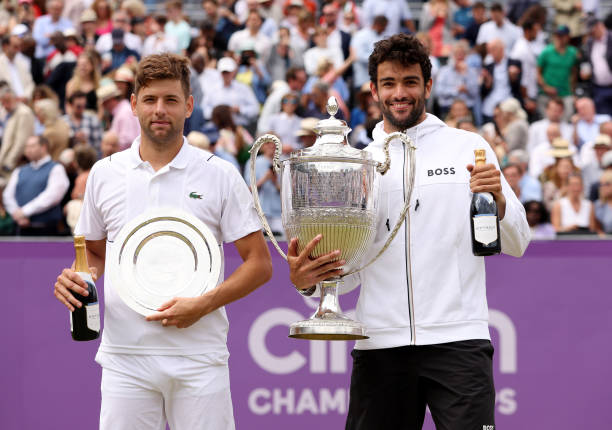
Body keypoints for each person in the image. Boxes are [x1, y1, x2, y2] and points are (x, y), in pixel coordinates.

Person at [287, 34, 530, 429]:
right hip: (381, 344)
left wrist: (499, 199)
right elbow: (349, 269)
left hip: (459, 341)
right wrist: (308, 283)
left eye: (410, 82)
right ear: (374, 90)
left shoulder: (468, 147)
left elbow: (519, 241)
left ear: (427, 86)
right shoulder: (358, 164)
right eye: (389, 83)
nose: (400, 93)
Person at [52, 53, 272, 430]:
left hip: (199, 356)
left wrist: (203, 305)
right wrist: (78, 278)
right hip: (125, 357)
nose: (160, 110)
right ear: (134, 104)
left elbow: (260, 264)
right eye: (150, 99)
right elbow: (92, 253)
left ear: (188, 105)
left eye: (171, 100)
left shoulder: (218, 174)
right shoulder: (104, 174)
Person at [2, 135, 70, 236]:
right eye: (26, 147)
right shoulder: (19, 170)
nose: (28, 150)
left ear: (43, 147)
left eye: (32, 146)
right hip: (21, 228)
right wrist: (16, 213)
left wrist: (25, 212)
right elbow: (7, 195)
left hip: (46, 230)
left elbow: (52, 196)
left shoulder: (56, 168)